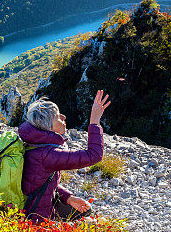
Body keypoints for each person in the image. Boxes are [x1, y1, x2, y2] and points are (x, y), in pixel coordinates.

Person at [18, 90, 110, 222]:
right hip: (37, 218)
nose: (63, 117)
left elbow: (40, 182)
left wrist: (68, 198)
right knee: (91, 223)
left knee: (86, 210)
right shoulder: (48, 154)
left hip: (33, 207)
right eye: (57, 116)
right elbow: (94, 155)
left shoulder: (34, 144)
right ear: (48, 125)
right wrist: (94, 121)